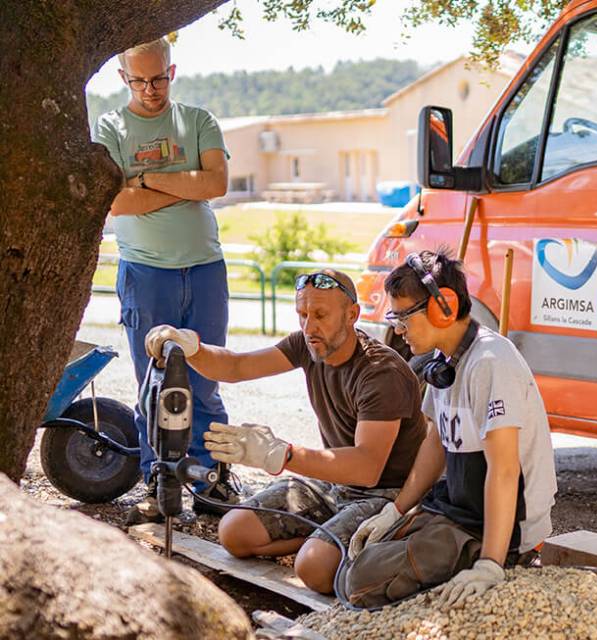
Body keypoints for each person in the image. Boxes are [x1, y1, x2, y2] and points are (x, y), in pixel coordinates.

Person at [145, 269, 426, 593]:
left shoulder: (381, 373)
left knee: (314, 569)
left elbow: (366, 467)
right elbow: (236, 366)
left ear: (352, 315)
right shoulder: (308, 344)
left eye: (320, 315)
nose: (309, 326)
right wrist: (191, 347)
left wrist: (281, 454)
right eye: (302, 314)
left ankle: (336, 544)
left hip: (387, 494)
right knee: (234, 532)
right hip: (336, 483)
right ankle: (326, 539)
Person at [345, 250, 557, 610]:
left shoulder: (490, 362)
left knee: (362, 581)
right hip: (459, 510)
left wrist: (490, 563)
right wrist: (396, 511)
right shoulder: (444, 362)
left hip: (494, 526)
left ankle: (492, 560)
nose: (398, 329)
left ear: (444, 307)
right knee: (352, 562)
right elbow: (437, 442)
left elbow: (504, 471)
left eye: (404, 317)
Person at [92, 38, 235, 523]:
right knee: (154, 382)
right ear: (123, 79)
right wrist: (181, 180)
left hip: (205, 268)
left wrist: (147, 179)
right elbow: (115, 202)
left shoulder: (198, 120)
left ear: (172, 72)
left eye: (159, 78)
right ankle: (159, 481)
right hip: (145, 271)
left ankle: (212, 478)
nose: (151, 89)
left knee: (207, 377)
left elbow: (215, 184)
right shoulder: (111, 126)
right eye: (140, 81)